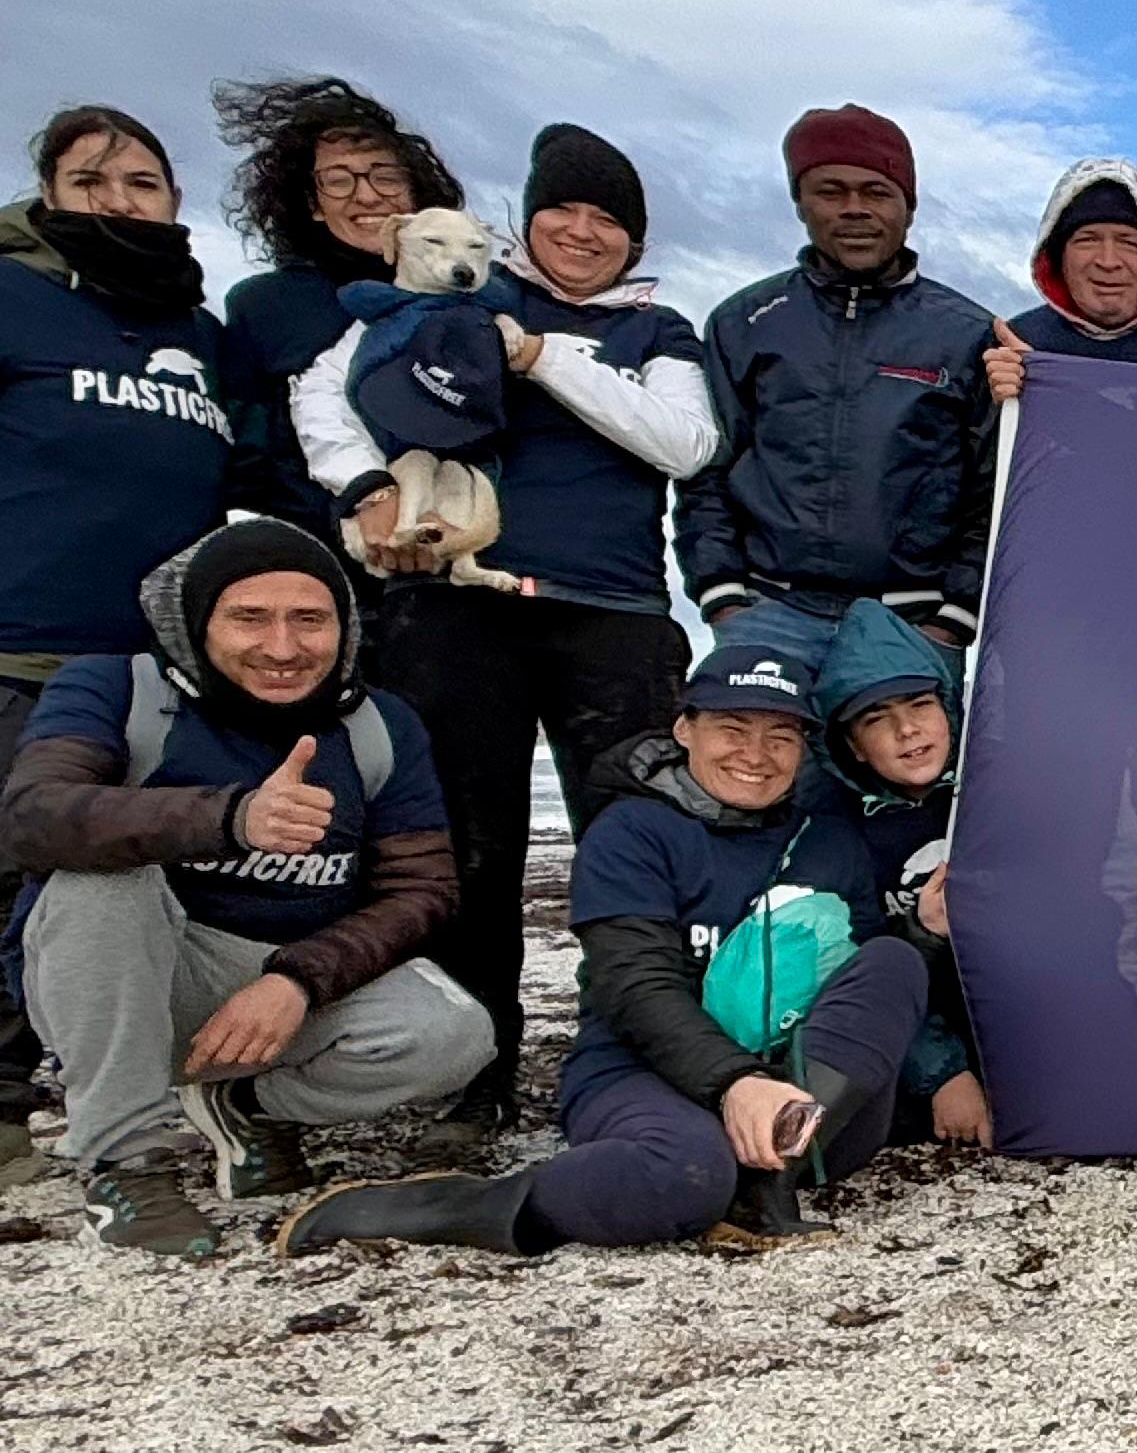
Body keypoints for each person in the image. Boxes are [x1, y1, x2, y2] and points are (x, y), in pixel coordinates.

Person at [287, 123, 713, 1152]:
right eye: (563, 209)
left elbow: (683, 443)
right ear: (526, 218)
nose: (583, 230)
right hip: (457, 607)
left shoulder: (659, 334)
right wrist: (366, 484)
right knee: (473, 850)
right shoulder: (459, 294)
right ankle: (478, 1069)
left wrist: (542, 358)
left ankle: (638, 1051)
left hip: (612, 615)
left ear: (632, 237)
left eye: (608, 217)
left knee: (635, 845)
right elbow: (322, 390)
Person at [279, 640, 929, 1255]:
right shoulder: (632, 831)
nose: (756, 752)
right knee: (689, 1174)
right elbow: (634, 987)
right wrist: (737, 1081)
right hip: (644, 1073)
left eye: (780, 736)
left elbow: (862, 991)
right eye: (733, 728)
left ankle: (768, 1183)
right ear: (685, 728)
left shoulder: (829, 840)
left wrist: (926, 930)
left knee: (896, 958)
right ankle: (455, 1206)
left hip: (801, 1105)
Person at [2, 520, 490, 1257]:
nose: (284, 647)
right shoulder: (113, 686)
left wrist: (298, 978)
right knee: (102, 886)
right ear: (198, 622)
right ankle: (125, 1163)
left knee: (455, 1034)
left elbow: (422, 888)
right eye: (249, 617)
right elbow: (32, 817)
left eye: (310, 618)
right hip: (126, 979)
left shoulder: (377, 724)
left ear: (345, 625)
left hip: (277, 984)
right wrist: (230, 817)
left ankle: (238, 1102)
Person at [0, 107, 268, 1147]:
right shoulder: (15, 298)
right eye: (91, 180)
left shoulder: (198, 334)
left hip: (159, 659)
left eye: (142, 183)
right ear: (50, 193)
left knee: (135, 868)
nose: (119, 200)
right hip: (23, 639)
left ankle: (137, 1077)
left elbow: (255, 468)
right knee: (13, 867)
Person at [679, 106, 996, 661]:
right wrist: (723, 597)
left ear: (909, 207)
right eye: (831, 191)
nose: (855, 209)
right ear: (801, 203)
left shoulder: (970, 334)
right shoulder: (745, 322)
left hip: (911, 626)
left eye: (876, 192)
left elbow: (990, 490)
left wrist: (955, 616)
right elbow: (706, 465)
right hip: (768, 615)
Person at [211, 76, 464, 557]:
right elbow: (248, 453)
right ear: (312, 205)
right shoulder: (264, 305)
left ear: (415, 194)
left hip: (450, 560)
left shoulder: (464, 297)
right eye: (339, 180)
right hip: (314, 561)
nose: (367, 196)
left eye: (385, 176)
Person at [805, 600, 986, 1149]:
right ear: (852, 744)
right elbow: (851, 976)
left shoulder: (1001, 794)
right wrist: (942, 1074)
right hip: (916, 1036)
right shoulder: (832, 835)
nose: (908, 730)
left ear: (948, 708)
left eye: (920, 705)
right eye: (876, 718)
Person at [980, 157, 1137, 403]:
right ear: (1057, 257)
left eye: (1128, 242)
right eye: (1088, 240)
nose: (1108, 261)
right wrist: (1006, 404)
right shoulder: (1016, 346)